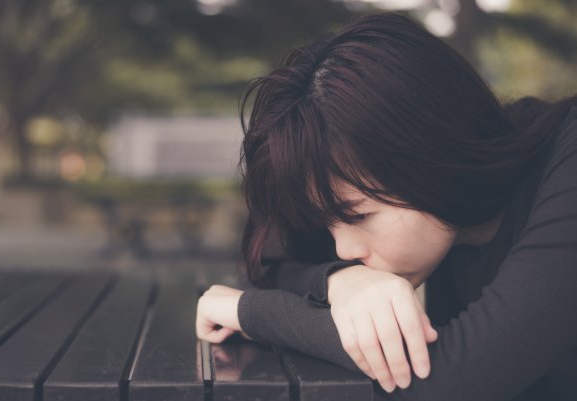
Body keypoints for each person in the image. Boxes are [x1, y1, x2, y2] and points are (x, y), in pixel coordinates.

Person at [195, 11, 577, 401]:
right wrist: (340, 280)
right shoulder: (441, 214)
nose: (345, 249)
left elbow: (451, 379)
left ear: (430, 151)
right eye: (330, 227)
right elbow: (272, 265)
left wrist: (251, 313)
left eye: (360, 215)